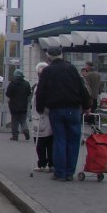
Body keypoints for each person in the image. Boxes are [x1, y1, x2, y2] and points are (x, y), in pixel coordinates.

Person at [35, 45, 92, 181]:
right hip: (73, 109)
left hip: (56, 110)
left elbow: (41, 92)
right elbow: (81, 88)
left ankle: (60, 172)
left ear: (48, 57)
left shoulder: (47, 72)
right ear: (61, 55)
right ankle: (69, 172)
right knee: (73, 141)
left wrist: (40, 108)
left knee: (59, 140)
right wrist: (86, 105)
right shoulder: (71, 69)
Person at [31, 62, 53, 171]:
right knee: (47, 142)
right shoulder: (47, 84)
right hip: (42, 117)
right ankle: (48, 163)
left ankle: (43, 163)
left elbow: (41, 102)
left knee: (41, 143)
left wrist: (45, 110)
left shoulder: (41, 86)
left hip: (42, 117)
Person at [5, 69, 31, 141]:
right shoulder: (26, 84)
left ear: (15, 76)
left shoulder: (12, 84)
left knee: (14, 121)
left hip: (14, 106)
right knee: (23, 120)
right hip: (23, 106)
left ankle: (15, 136)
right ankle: (25, 130)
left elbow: (8, 94)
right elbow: (29, 93)